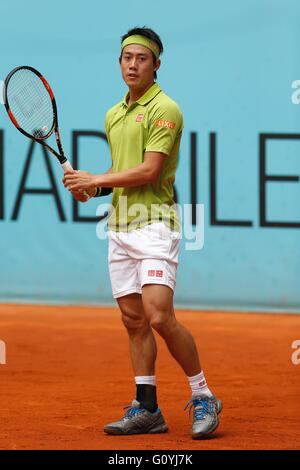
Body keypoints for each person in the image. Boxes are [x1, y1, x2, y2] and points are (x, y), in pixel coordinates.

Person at [63, 26, 222, 439]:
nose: (133, 65)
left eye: (142, 58)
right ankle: (147, 407)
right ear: (119, 62)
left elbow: (150, 170)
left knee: (157, 314)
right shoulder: (113, 114)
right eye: (126, 58)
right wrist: (93, 188)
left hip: (155, 225)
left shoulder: (165, 108)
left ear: (156, 65)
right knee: (133, 320)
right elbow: (122, 171)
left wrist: (97, 177)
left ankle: (203, 395)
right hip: (119, 227)